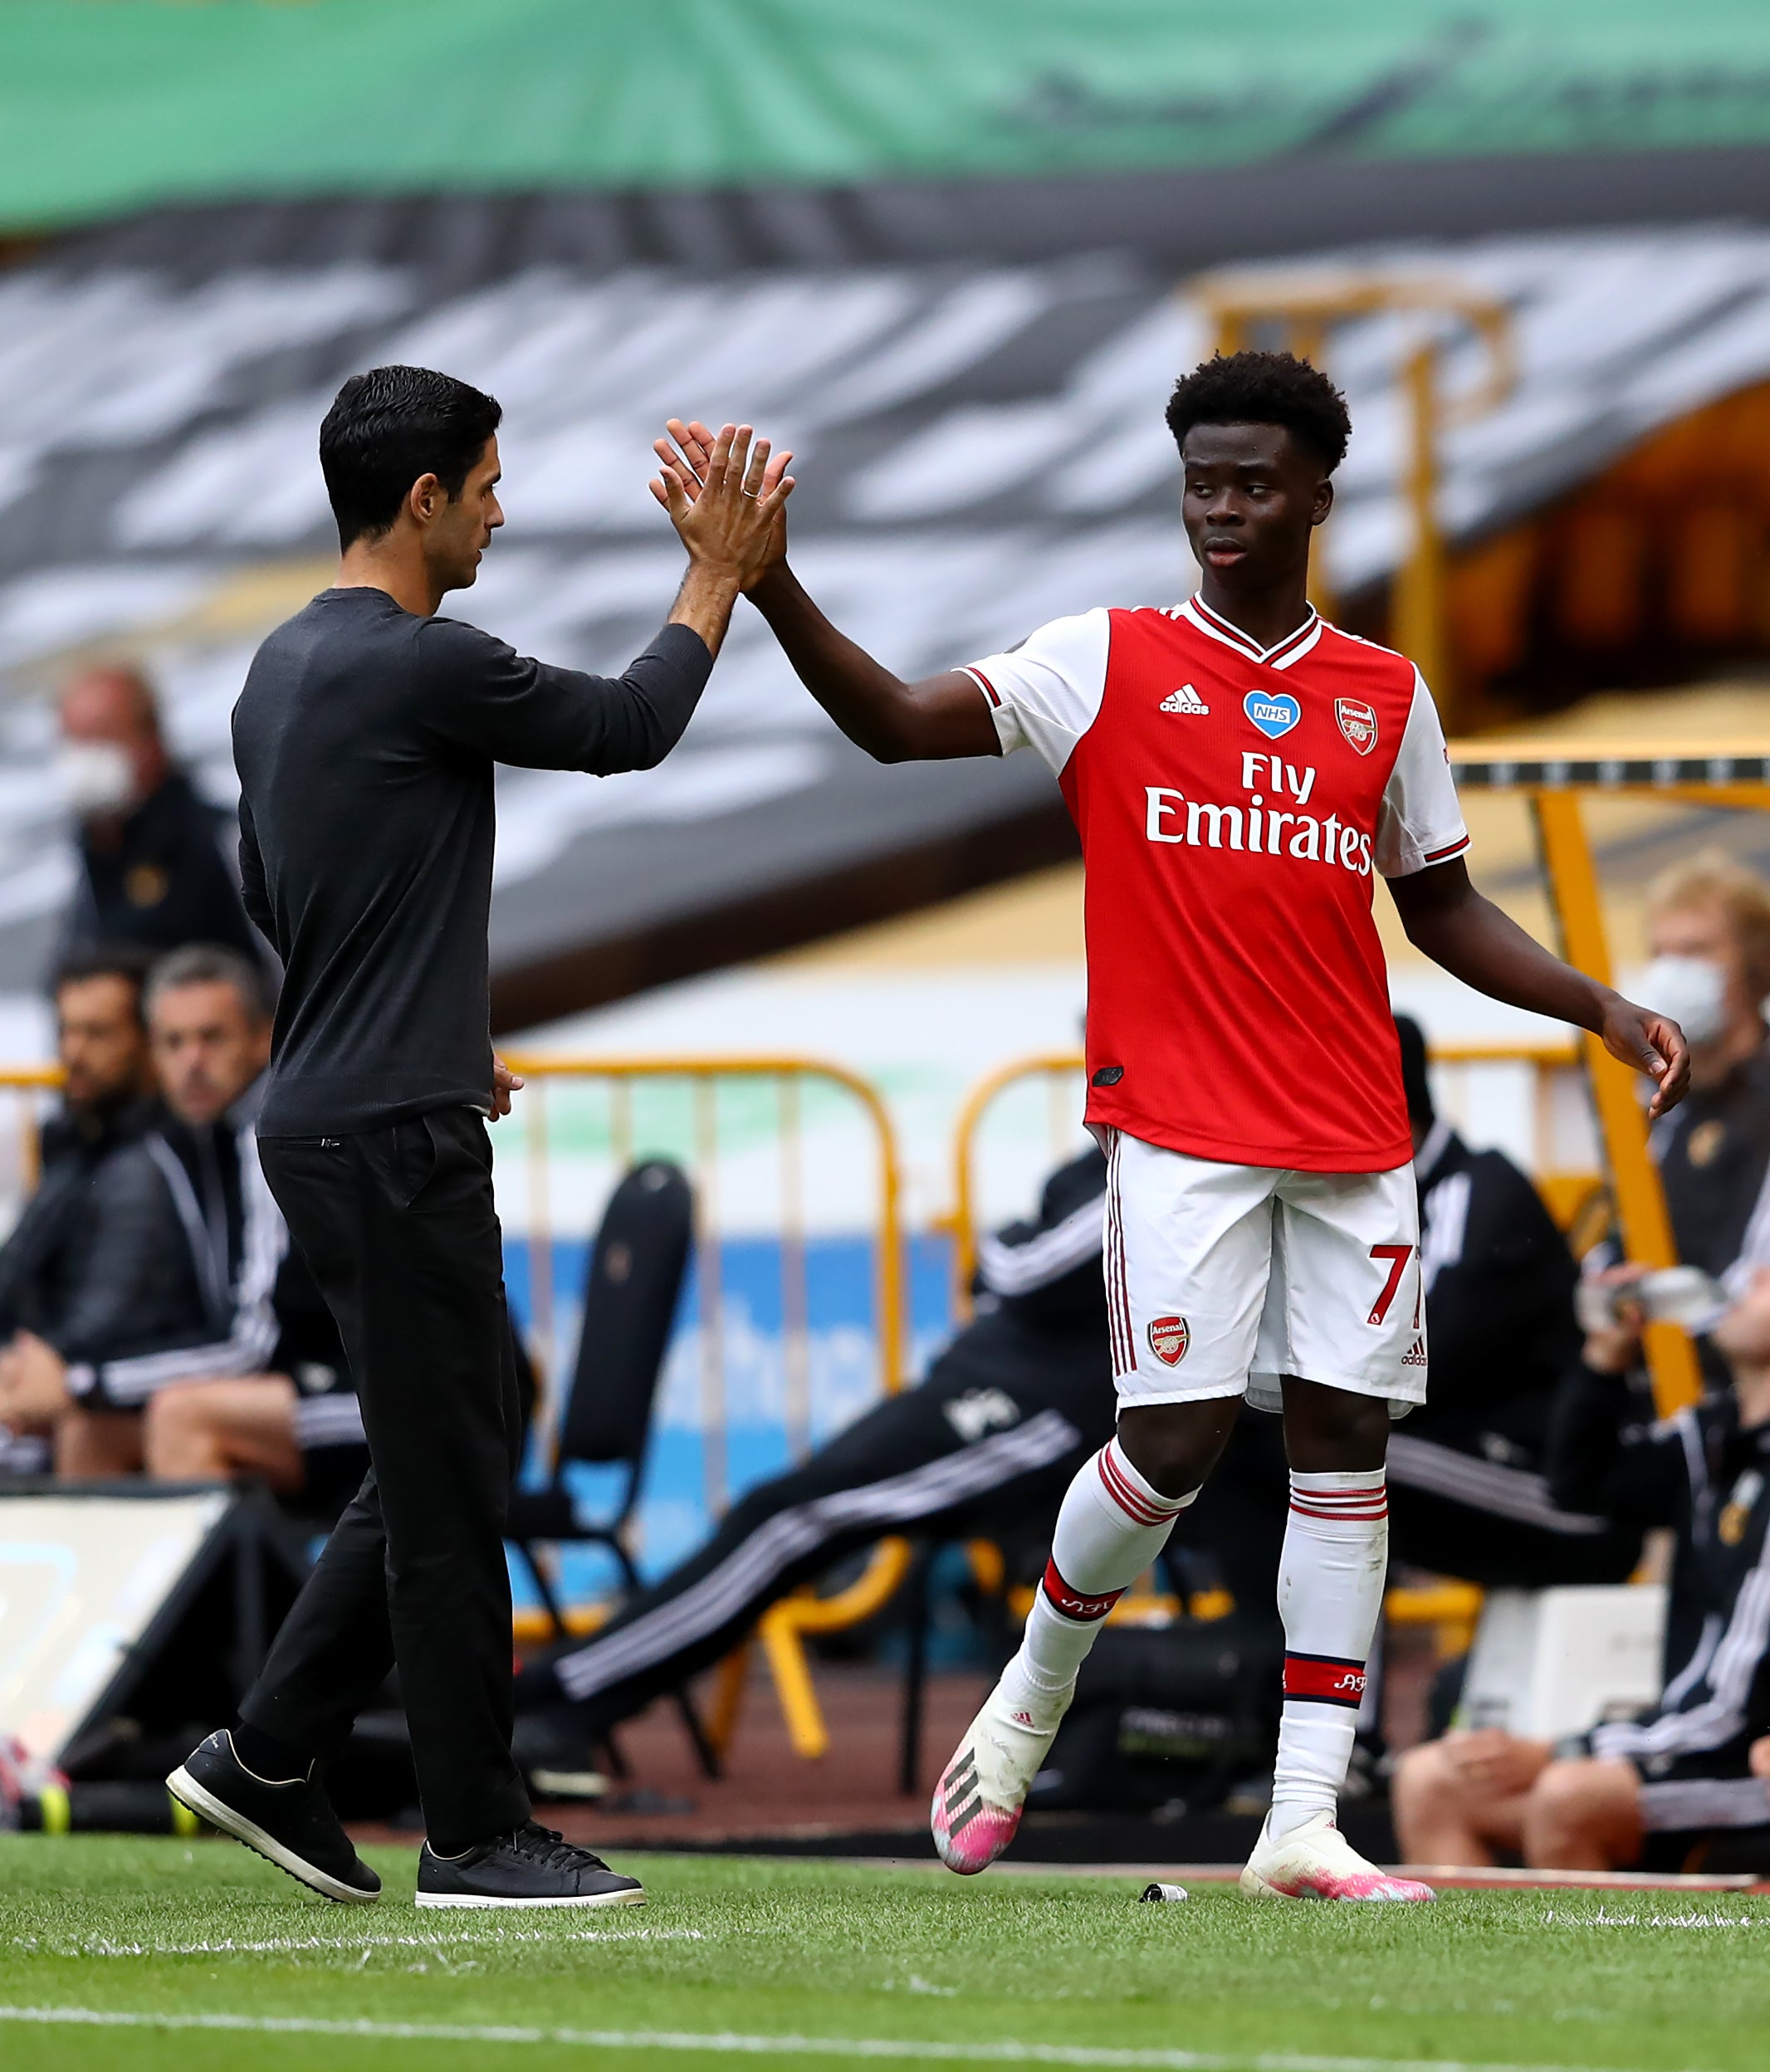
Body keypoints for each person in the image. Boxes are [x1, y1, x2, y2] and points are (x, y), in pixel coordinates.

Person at [652, 349, 1687, 1903]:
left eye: (1252, 482)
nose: (1220, 507)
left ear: (1317, 498)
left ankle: (1300, 1824)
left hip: (1352, 1131)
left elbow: (1444, 905)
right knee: (1176, 1443)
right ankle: (1028, 1699)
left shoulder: (1382, 695)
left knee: (1346, 1449)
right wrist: (777, 584)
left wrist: (1594, 1007)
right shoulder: (1105, 663)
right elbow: (893, 724)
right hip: (1183, 1131)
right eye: (1201, 480)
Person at [166, 367, 792, 1913]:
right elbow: (630, 725)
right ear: (426, 499)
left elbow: (281, 897)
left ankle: (264, 1754)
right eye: (490, 483)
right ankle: (470, 1831)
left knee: (431, 1459)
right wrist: (715, 576)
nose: (504, 508)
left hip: (335, 1107)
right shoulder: (417, 662)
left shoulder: (276, 669)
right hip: (387, 1131)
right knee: (452, 1487)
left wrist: (427, 1027)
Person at [511, 1147, 1117, 1762]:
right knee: (783, 1514)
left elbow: (1021, 1267)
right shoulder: (1126, 1125)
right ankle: (556, 1696)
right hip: (1009, 1372)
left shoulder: (1167, 1134)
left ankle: (552, 1694)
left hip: (1052, 1406)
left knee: (786, 1517)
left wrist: (1006, 1248)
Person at [1391, 1263, 1770, 1873]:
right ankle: (1469, 1973)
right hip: (1692, 1744)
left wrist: (1562, 1751)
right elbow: (1578, 1485)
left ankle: (1596, 1973)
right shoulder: (1719, 1435)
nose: (1750, 1276)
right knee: (1429, 1780)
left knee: (1570, 1797)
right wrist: (1605, 1355)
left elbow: (1729, 1706)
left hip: (1745, 1759)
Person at [3, 944, 369, 1511]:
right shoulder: (200, 1142)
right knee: (90, 1430)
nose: (191, 1061)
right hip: (290, 1389)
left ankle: (225, 1605)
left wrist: (81, 1379)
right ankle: (113, 1604)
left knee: (183, 1416)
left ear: (260, 1038)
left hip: (394, 1394)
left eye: (211, 1037)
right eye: (173, 1042)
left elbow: (249, 1344)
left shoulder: (276, 1130)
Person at [1384, 1015, 1643, 1587]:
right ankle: (1267, 1659)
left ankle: (1325, 1675)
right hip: (1478, 1459)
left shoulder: (1479, 1191)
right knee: (1267, 1444)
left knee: (1333, 1462)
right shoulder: (1372, 1199)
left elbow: (1419, 1364)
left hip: (1573, 1496)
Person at [0, 944, 157, 1474]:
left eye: (98, 1032)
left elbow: (117, 1307)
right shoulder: (69, 1144)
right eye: (66, 1030)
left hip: (91, 1385)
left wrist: (33, 1369)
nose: (73, 1052)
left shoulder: (154, 1157)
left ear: (146, 1040)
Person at [56, 665, 262, 969]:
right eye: (75, 741)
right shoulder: (85, 862)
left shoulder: (224, 841)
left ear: (152, 738)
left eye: (101, 737)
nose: (85, 759)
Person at [1636, 853, 1770, 1280]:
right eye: (1660, 953)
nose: (1672, 972)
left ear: (1757, 962)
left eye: (1696, 951)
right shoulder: (1653, 1100)